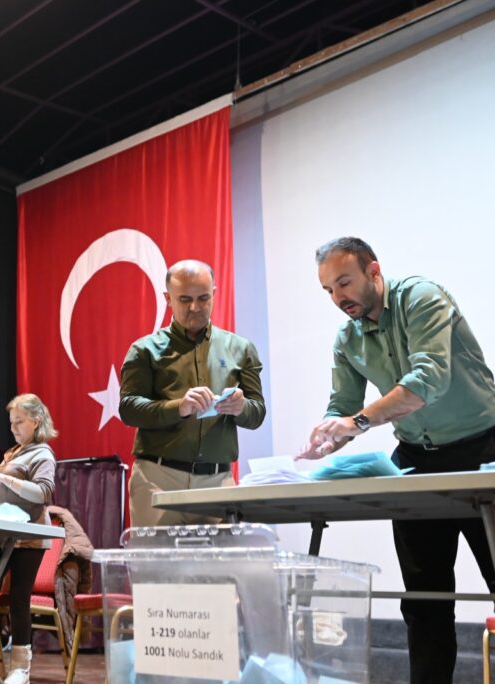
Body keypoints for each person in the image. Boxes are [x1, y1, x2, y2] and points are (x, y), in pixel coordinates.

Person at [297, 236, 495, 684]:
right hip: (415, 460)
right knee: (424, 600)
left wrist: (357, 423)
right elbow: (343, 405)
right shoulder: (347, 337)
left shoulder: (421, 297)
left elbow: (428, 381)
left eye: (344, 283)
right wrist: (328, 438)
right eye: (328, 290)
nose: (338, 298)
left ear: (373, 271)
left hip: (482, 450)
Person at [119, 259, 266, 526]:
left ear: (214, 294)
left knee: (222, 556)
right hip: (157, 478)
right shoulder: (144, 350)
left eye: (203, 298)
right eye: (185, 299)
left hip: (218, 481)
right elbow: (128, 409)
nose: (195, 307)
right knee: (156, 556)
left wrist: (242, 407)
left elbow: (257, 413)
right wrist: (179, 407)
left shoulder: (241, 348)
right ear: (168, 299)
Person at [0, 394, 57, 684]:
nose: (13, 428)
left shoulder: (42, 454)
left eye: (19, 422)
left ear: (36, 421)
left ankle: (21, 668)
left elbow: (43, 493)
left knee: (19, 597)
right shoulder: (13, 452)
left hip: (28, 535)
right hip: (0, 532)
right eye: (11, 423)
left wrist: (3, 478)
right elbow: (0, 496)